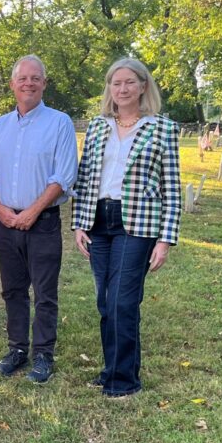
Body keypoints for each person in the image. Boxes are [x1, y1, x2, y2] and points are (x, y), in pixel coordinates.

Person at [72, 57, 181, 398]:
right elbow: (86, 176)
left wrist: (166, 239)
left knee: (122, 300)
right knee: (106, 300)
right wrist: (78, 223)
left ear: (143, 86)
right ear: (110, 88)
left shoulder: (162, 128)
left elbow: (172, 187)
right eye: (116, 83)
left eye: (129, 82)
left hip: (138, 224)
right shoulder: (97, 126)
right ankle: (112, 371)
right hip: (98, 220)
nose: (122, 89)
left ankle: (125, 380)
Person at [0, 55, 78, 384]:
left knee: (45, 292)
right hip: (5, 222)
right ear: (12, 84)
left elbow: (63, 176)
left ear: (44, 84)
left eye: (36, 78)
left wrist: (33, 212)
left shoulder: (59, 123)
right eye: (23, 78)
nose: (29, 83)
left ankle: (43, 354)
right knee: (13, 290)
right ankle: (18, 349)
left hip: (44, 222)